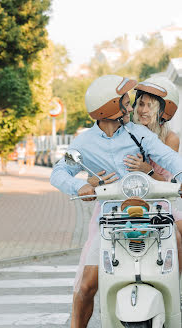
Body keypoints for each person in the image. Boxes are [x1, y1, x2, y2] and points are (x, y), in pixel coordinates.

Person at [50, 75, 182, 328]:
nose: (131, 108)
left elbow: (168, 157)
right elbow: (58, 173)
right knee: (87, 285)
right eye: (126, 102)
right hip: (110, 217)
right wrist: (83, 185)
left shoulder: (139, 133)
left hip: (150, 211)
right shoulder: (83, 144)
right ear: (109, 107)